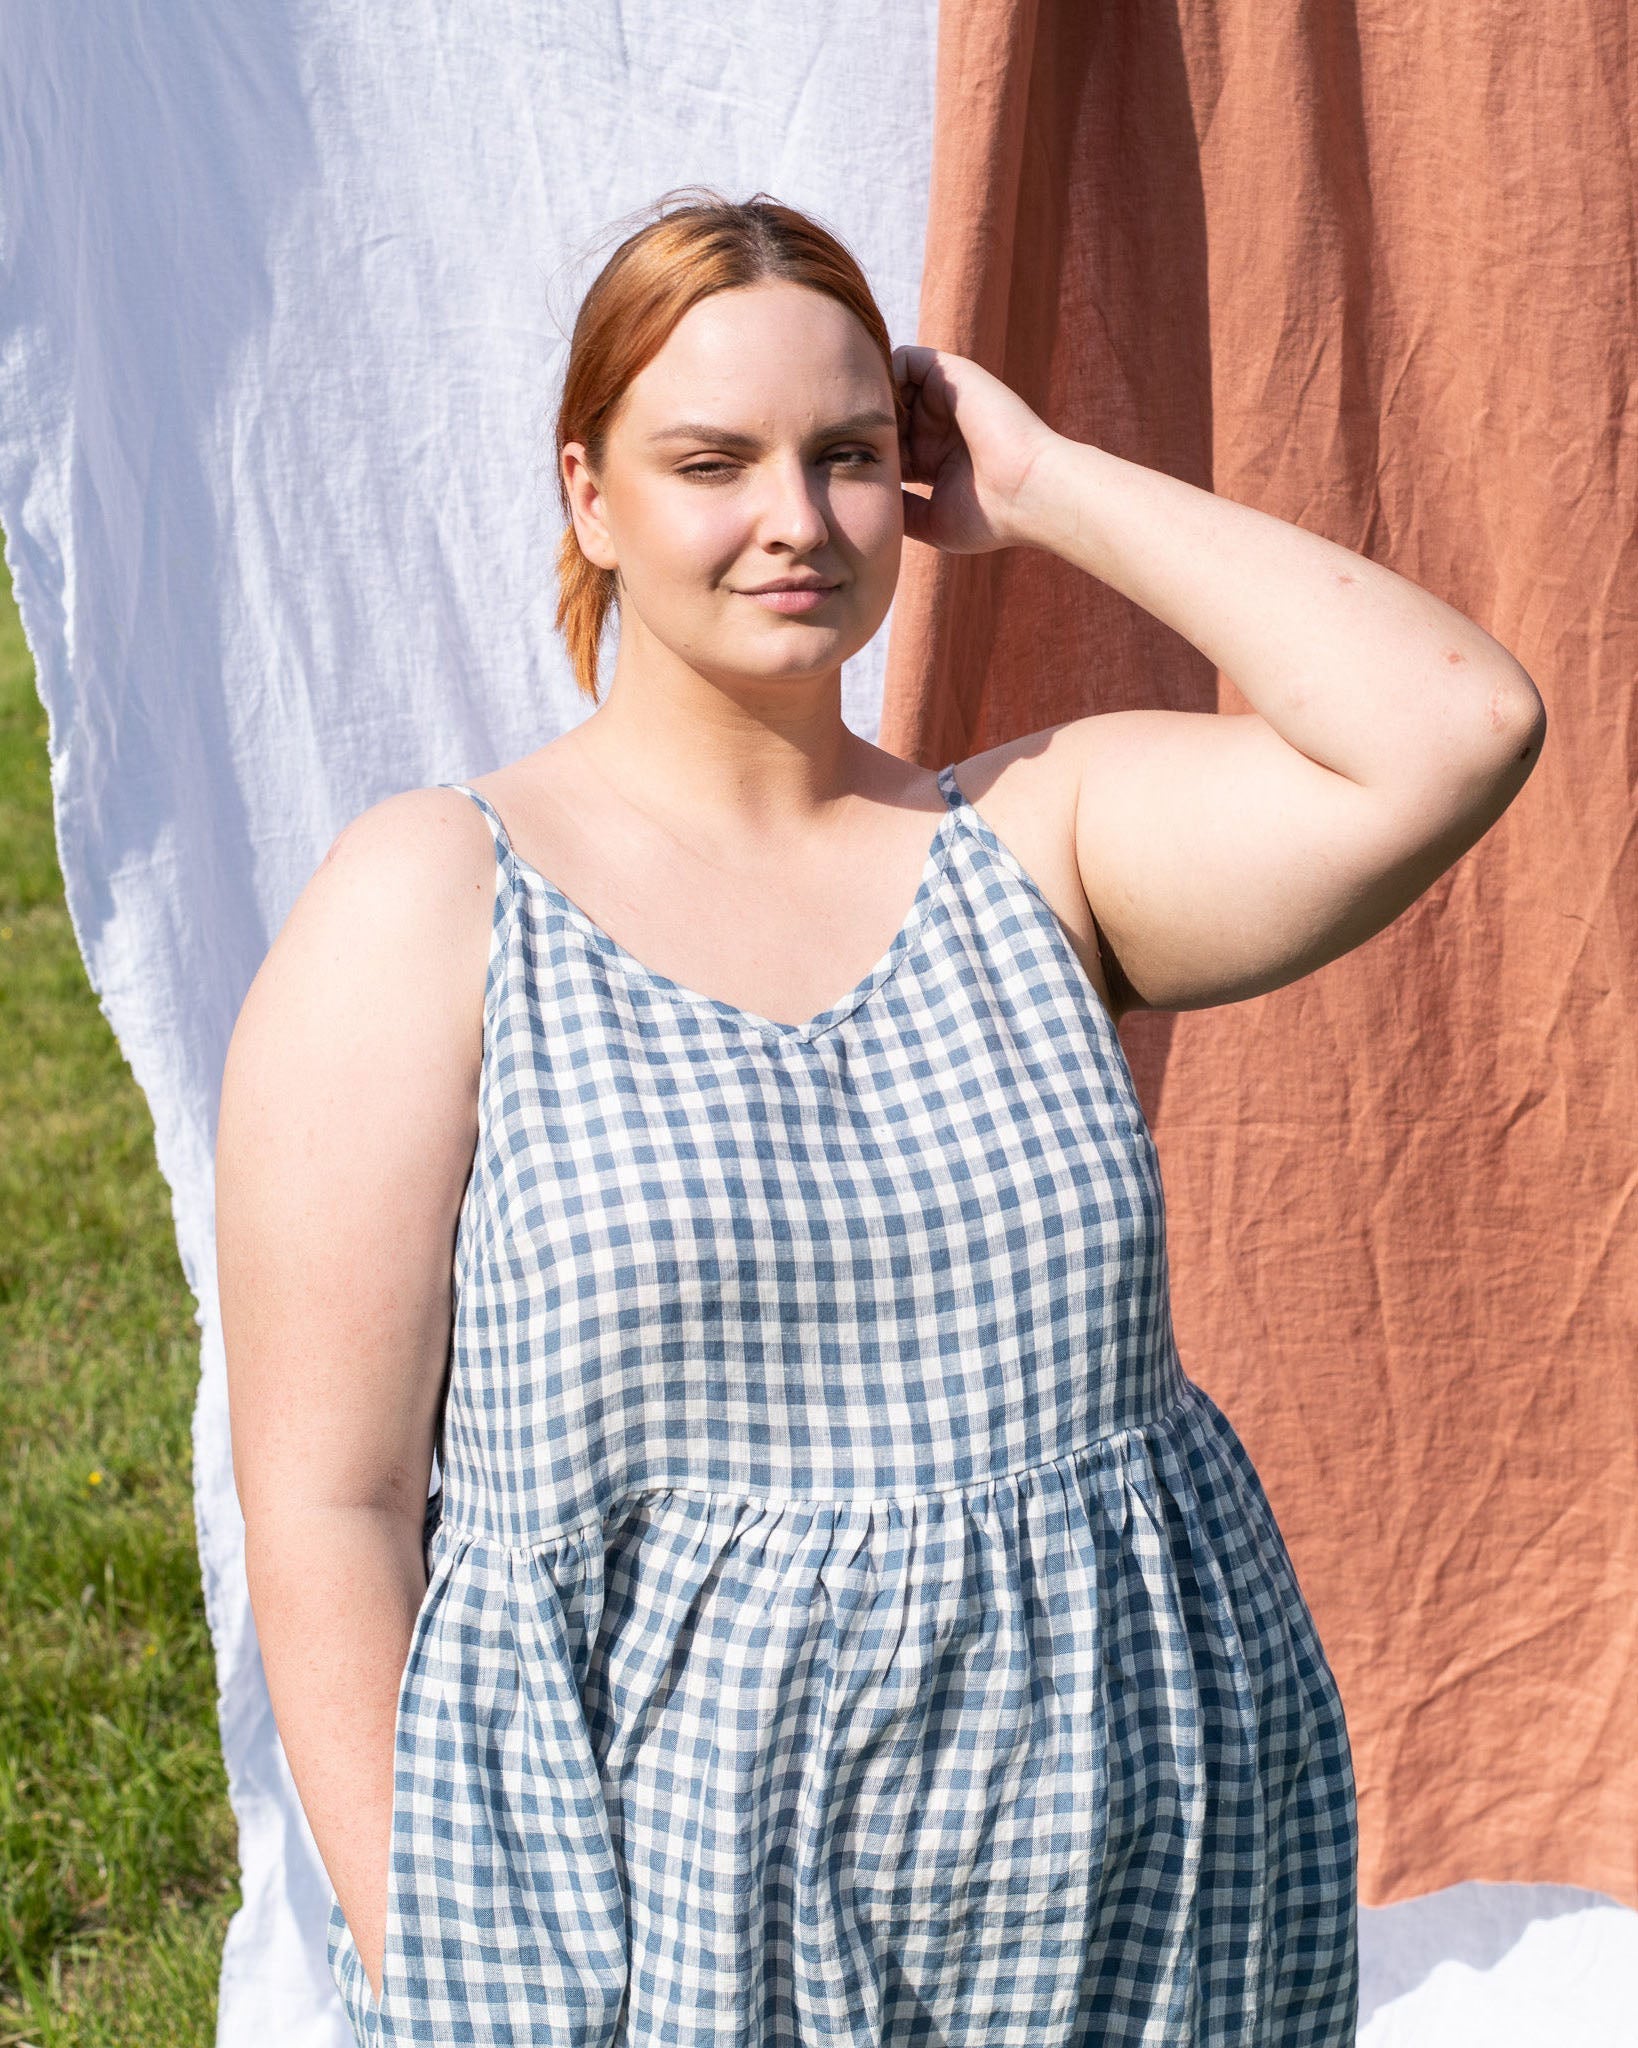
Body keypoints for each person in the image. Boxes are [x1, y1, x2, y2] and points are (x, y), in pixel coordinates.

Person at [215, 187, 1545, 2046]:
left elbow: (1455, 725)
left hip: (1121, 1884)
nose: (796, 518)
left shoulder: (1033, 848)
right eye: (712, 463)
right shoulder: (438, 897)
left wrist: (1050, 482)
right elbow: (330, 1505)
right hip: (670, 1907)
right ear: (586, 494)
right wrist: (440, 1969)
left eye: (847, 455)